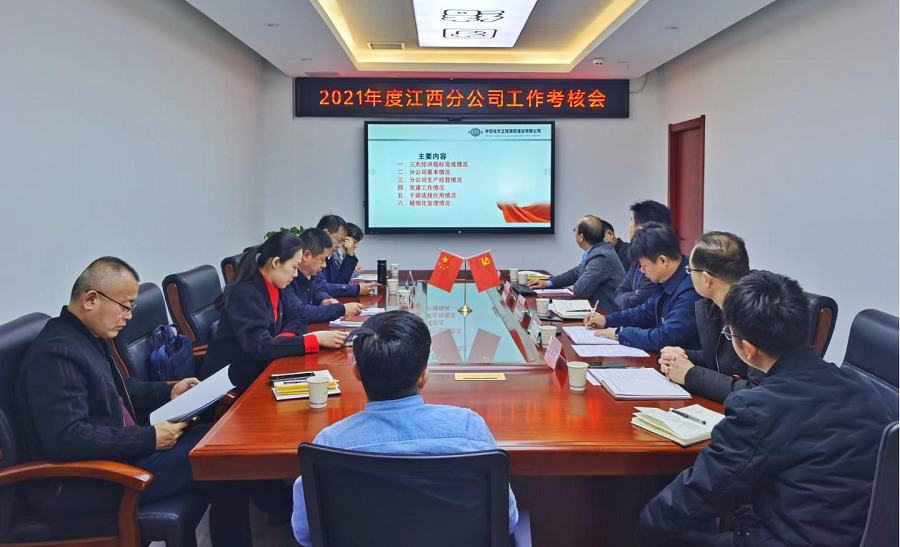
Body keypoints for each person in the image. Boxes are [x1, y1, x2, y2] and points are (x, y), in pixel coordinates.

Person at [637, 271, 898, 546]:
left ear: (748, 349)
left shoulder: (757, 409)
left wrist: (641, 527)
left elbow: (703, 491)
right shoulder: (863, 386)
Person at [16, 257, 252, 545]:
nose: (128, 316)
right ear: (91, 300)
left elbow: (116, 390)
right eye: (125, 306)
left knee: (223, 444)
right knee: (225, 458)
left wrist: (169, 392)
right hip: (91, 481)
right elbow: (68, 438)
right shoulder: (56, 355)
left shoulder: (85, 336)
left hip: (118, 456)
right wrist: (149, 438)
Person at [291, 311, 518, 546]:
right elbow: (507, 521)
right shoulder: (469, 429)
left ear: (356, 372)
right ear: (423, 377)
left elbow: (306, 533)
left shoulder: (329, 444)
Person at [201, 231, 347, 393]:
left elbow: (299, 317)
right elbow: (261, 347)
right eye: (293, 267)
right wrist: (314, 340)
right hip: (232, 381)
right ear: (276, 262)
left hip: (263, 367)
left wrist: (281, 341)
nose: (295, 274)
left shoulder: (275, 285)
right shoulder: (245, 293)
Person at [658, 231, 764, 402]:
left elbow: (757, 392)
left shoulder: (758, 313)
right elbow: (721, 361)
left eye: (690, 270)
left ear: (706, 279)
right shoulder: (716, 306)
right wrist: (678, 357)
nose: (689, 275)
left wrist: (690, 374)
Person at [585, 222, 701, 351]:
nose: (642, 270)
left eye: (644, 266)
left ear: (663, 260)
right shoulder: (666, 279)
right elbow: (644, 312)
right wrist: (607, 320)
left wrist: (619, 333)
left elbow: (665, 337)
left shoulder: (691, 289)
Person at [527, 215, 625, 313]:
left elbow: (581, 290)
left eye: (575, 230)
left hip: (607, 315)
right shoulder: (598, 251)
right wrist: (547, 283)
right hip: (596, 312)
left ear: (581, 237)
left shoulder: (602, 256)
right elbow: (575, 273)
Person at [285, 228, 363, 323]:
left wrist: (325, 299)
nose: (324, 265)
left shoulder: (311, 273)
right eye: (322, 259)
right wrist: (341, 309)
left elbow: (317, 290)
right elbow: (300, 313)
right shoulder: (287, 278)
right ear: (306, 255)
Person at [614, 200, 672, 310]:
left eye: (631, 221)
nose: (629, 226)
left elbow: (634, 303)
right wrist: (632, 294)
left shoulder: (657, 262)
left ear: (639, 230)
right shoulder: (638, 256)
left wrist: (631, 295)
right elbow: (620, 291)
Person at [315, 214, 376, 298]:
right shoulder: (312, 255)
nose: (339, 245)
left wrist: (350, 255)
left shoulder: (328, 256)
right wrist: (357, 289)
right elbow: (322, 288)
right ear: (325, 233)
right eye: (339, 240)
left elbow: (339, 282)